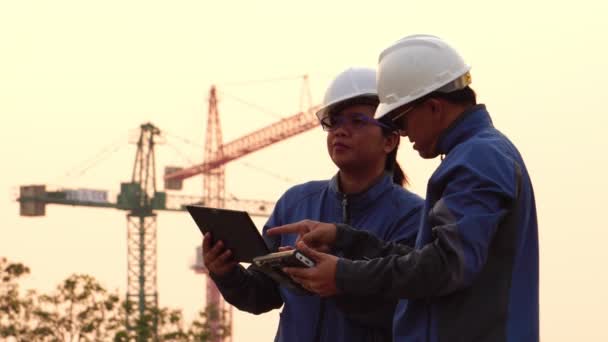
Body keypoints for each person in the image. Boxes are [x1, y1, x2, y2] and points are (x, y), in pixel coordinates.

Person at [268, 34, 539, 342]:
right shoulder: (478, 154)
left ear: (434, 108)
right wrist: (345, 238)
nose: (402, 131)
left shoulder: (478, 158)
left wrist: (342, 276)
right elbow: (431, 257)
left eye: (400, 117)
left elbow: (445, 265)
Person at [202, 67, 424, 342]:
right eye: (334, 121)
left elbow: (407, 312)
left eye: (357, 121)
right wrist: (226, 272)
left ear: (389, 140)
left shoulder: (414, 217)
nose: (341, 131)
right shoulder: (295, 203)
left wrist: (338, 282)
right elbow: (261, 296)